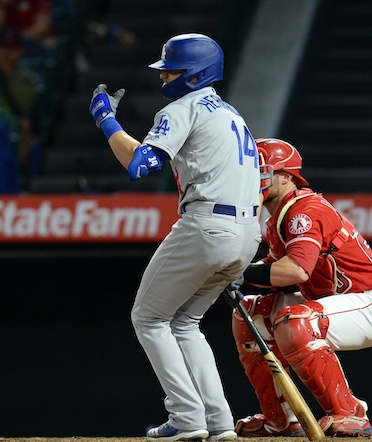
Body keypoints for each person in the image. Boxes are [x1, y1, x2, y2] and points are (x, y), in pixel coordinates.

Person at [88, 33, 262, 441]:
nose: (164, 76)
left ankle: (186, 418)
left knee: (148, 318)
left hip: (206, 224)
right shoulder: (233, 114)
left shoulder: (184, 107)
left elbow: (141, 164)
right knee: (185, 323)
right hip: (246, 232)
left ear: (197, 73)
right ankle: (219, 423)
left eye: (172, 69)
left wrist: (106, 122)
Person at [231, 138, 372, 437]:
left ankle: (351, 413)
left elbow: (295, 270)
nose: (253, 180)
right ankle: (279, 419)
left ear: (286, 176)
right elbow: (270, 272)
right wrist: (227, 273)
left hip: (371, 302)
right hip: (333, 300)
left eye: (261, 173)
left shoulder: (304, 210)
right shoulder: (279, 218)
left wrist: (241, 273)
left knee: (295, 322)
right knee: (250, 314)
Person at [0, 26, 38, 194]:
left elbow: (23, 105)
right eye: (3, 47)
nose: (7, 52)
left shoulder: (26, 78)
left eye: (12, 48)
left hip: (9, 125)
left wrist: (7, 73)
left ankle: (7, 195)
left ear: (20, 50)